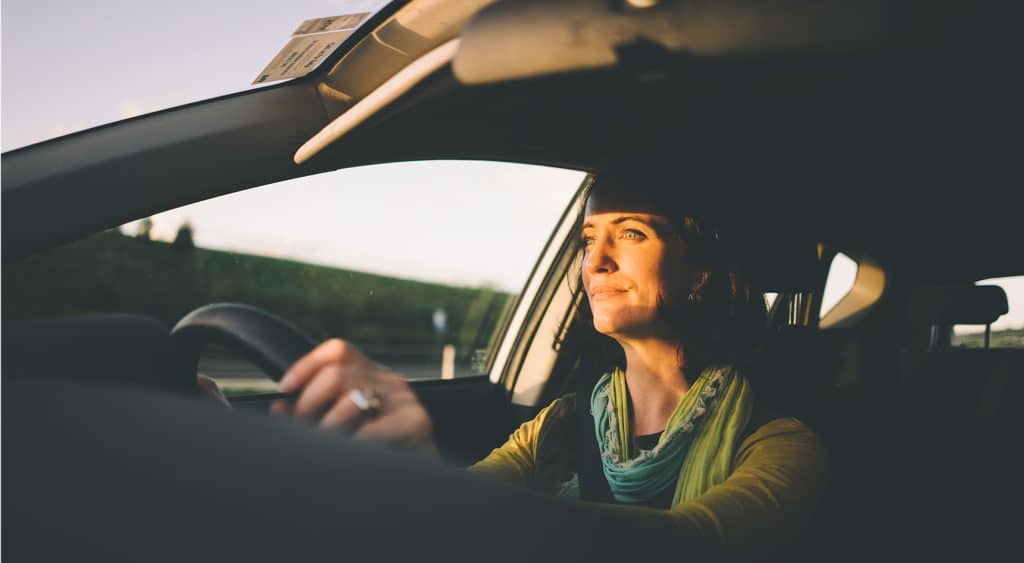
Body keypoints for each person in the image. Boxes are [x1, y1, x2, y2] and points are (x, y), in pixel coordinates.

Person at [268, 171, 830, 558]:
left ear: (699, 272)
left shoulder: (782, 444)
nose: (596, 262)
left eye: (631, 234)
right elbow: (467, 498)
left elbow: (690, 544)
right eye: (588, 240)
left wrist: (441, 495)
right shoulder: (559, 422)